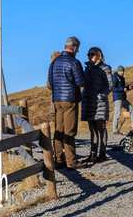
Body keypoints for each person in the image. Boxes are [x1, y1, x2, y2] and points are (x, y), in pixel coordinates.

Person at [47, 36, 85, 169]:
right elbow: (81, 82)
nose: (78, 51)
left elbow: (50, 84)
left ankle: (58, 159)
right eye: (78, 49)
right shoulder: (74, 62)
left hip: (57, 100)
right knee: (69, 131)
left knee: (59, 129)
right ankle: (71, 160)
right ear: (74, 47)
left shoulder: (54, 62)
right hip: (70, 99)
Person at [81, 47, 112, 164]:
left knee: (101, 128)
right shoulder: (87, 68)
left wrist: (102, 95)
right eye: (88, 54)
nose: (90, 56)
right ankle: (92, 154)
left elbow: (110, 85)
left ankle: (102, 153)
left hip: (100, 102)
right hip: (88, 102)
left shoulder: (106, 68)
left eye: (92, 54)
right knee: (92, 129)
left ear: (99, 55)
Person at [112, 65, 133, 135]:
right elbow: (113, 88)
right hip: (117, 98)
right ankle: (115, 130)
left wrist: (128, 87)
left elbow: (123, 88)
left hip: (123, 98)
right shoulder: (115, 77)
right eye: (121, 71)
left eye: (123, 71)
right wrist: (122, 89)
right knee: (117, 113)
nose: (122, 72)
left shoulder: (122, 78)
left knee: (131, 108)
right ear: (118, 71)